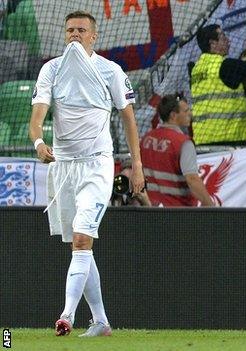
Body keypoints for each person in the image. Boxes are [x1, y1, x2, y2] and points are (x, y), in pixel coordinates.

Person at [28, 11, 145, 337]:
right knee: (80, 245)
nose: (74, 35)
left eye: (81, 30)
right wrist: (39, 142)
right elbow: (37, 116)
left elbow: (129, 120)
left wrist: (137, 165)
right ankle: (101, 322)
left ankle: (66, 315)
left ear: (94, 36)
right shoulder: (51, 69)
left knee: (81, 239)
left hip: (97, 165)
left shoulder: (111, 71)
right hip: (64, 168)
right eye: (70, 30)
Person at [140, 94, 214, 207]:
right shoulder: (183, 143)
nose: (190, 113)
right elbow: (192, 179)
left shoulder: (146, 139)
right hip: (178, 213)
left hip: (150, 209)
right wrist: (212, 207)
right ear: (173, 115)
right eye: (186, 111)